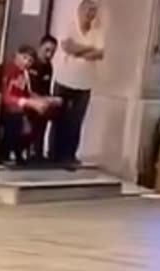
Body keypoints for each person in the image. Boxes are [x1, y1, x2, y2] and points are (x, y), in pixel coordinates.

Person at [51, 0, 104, 168]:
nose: (92, 14)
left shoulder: (97, 30)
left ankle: (69, 156)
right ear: (81, 10)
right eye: (89, 10)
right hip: (65, 79)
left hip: (85, 83)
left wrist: (79, 50)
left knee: (76, 121)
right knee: (59, 118)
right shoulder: (69, 24)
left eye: (94, 11)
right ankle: (54, 154)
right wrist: (88, 49)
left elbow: (100, 53)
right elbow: (68, 47)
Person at [0, 46, 60, 165]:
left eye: (30, 60)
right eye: (24, 58)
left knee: (40, 118)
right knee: (15, 120)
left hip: (20, 109)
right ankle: (6, 152)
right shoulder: (9, 70)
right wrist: (28, 103)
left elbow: (27, 93)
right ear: (16, 55)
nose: (27, 62)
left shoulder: (25, 74)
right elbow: (6, 96)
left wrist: (46, 100)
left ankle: (22, 152)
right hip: (8, 109)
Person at [28, 36, 58, 161]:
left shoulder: (48, 67)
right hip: (29, 100)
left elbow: (46, 89)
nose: (49, 55)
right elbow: (28, 90)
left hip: (41, 100)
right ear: (40, 47)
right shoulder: (31, 63)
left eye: (52, 52)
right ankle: (30, 150)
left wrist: (51, 100)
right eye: (47, 50)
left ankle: (39, 151)